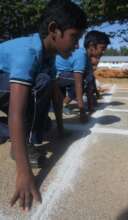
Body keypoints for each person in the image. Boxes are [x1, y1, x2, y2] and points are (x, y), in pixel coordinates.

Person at [0, 0, 87, 211]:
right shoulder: (27, 53)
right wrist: (24, 171)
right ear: (54, 30)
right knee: (40, 85)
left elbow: (57, 97)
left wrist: (61, 127)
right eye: (74, 37)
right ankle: (19, 144)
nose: (77, 45)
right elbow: (17, 113)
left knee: (45, 119)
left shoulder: (50, 56)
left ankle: (9, 133)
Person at [84, 30, 110, 104]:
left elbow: (91, 75)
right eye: (102, 48)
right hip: (65, 78)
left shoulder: (95, 58)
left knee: (90, 79)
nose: (104, 52)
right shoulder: (81, 57)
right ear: (91, 45)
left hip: (85, 78)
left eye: (105, 49)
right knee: (88, 80)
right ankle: (65, 102)